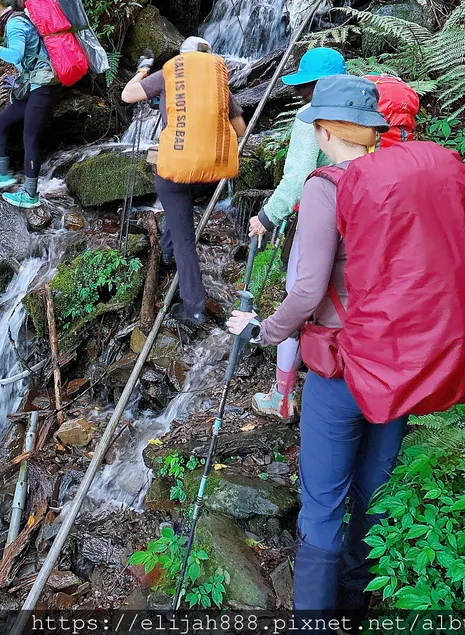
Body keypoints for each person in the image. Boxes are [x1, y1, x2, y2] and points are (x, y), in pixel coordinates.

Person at [227, 75, 400, 617]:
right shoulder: (399, 176)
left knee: (323, 504)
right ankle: (353, 608)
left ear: (324, 131)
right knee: (374, 493)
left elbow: (306, 291)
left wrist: (263, 331)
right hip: (398, 366)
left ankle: (313, 623)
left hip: (343, 368)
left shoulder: (326, 186)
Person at [248, 46, 346, 421]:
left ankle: (281, 396)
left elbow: (297, 178)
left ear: (316, 86)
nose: (300, 92)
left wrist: (267, 216)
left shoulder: (311, 119)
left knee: (298, 298)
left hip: (318, 219)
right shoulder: (362, 114)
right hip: (359, 219)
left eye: (305, 85)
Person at [121, 35, 246, 328]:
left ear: (182, 57)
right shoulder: (219, 85)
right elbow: (240, 129)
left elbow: (127, 95)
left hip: (175, 173)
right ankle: (166, 251)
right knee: (178, 214)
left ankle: (194, 307)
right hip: (211, 174)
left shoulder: (169, 74)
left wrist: (143, 69)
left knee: (185, 240)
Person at [0, 0, 59, 208]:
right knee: (1, 121)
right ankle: (1, 172)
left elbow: (15, 55)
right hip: (34, 83)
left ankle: (30, 195)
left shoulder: (15, 23)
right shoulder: (14, 21)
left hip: (44, 84)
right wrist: (19, 79)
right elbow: (27, 57)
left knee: (30, 137)